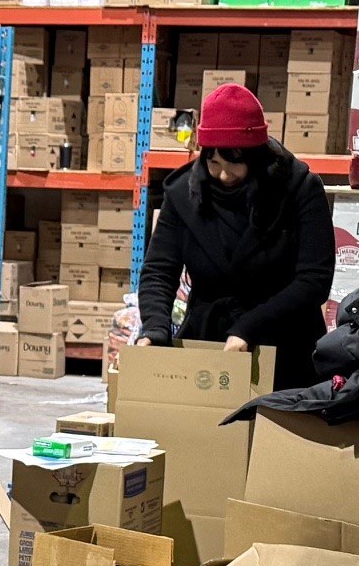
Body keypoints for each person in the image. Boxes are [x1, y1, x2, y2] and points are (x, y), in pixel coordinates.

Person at [136, 82, 336, 389]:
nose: (224, 176)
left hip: (284, 340)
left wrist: (249, 327)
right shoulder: (184, 194)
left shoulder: (299, 189)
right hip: (209, 343)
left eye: (235, 164)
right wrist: (154, 329)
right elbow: (159, 271)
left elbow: (313, 280)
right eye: (214, 163)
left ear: (256, 157)